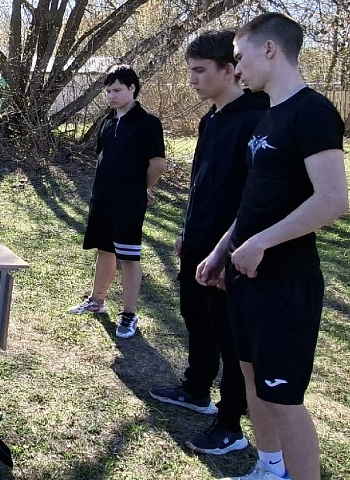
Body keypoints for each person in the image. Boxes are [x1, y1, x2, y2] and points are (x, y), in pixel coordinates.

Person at [195, 12, 350, 480]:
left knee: (286, 398)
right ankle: (271, 472)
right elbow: (256, 200)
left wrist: (260, 244)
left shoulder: (313, 113)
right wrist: (223, 248)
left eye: (239, 55)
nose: (234, 65)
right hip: (243, 272)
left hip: (286, 283)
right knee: (251, 375)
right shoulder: (268, 115)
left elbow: (333, 200)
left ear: (268, 50)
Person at [149, 31, 268, 456]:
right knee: (195, 316)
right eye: (191, 71)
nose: (193, 80)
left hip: (232, 250)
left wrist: (228, 251)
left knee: (231, 336)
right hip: (199, 242)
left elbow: (255, 197)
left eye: (200, 71)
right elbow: (204, 184)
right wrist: (188, 232)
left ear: (229, 69)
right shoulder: (210, 119)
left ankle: (230, 422)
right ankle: (196, 387)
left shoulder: (257, 118)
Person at [69, 63, 167, 339]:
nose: (111, 96)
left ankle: (129, 315)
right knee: (105, 249)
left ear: (132, 89)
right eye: (107, 91)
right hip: (102, 199)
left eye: (117, 90)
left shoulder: (148, 123)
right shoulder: (108, 121)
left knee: (128, 256)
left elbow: (157, 164)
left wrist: (140, 188)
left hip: (128, 203)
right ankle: (97, 301)